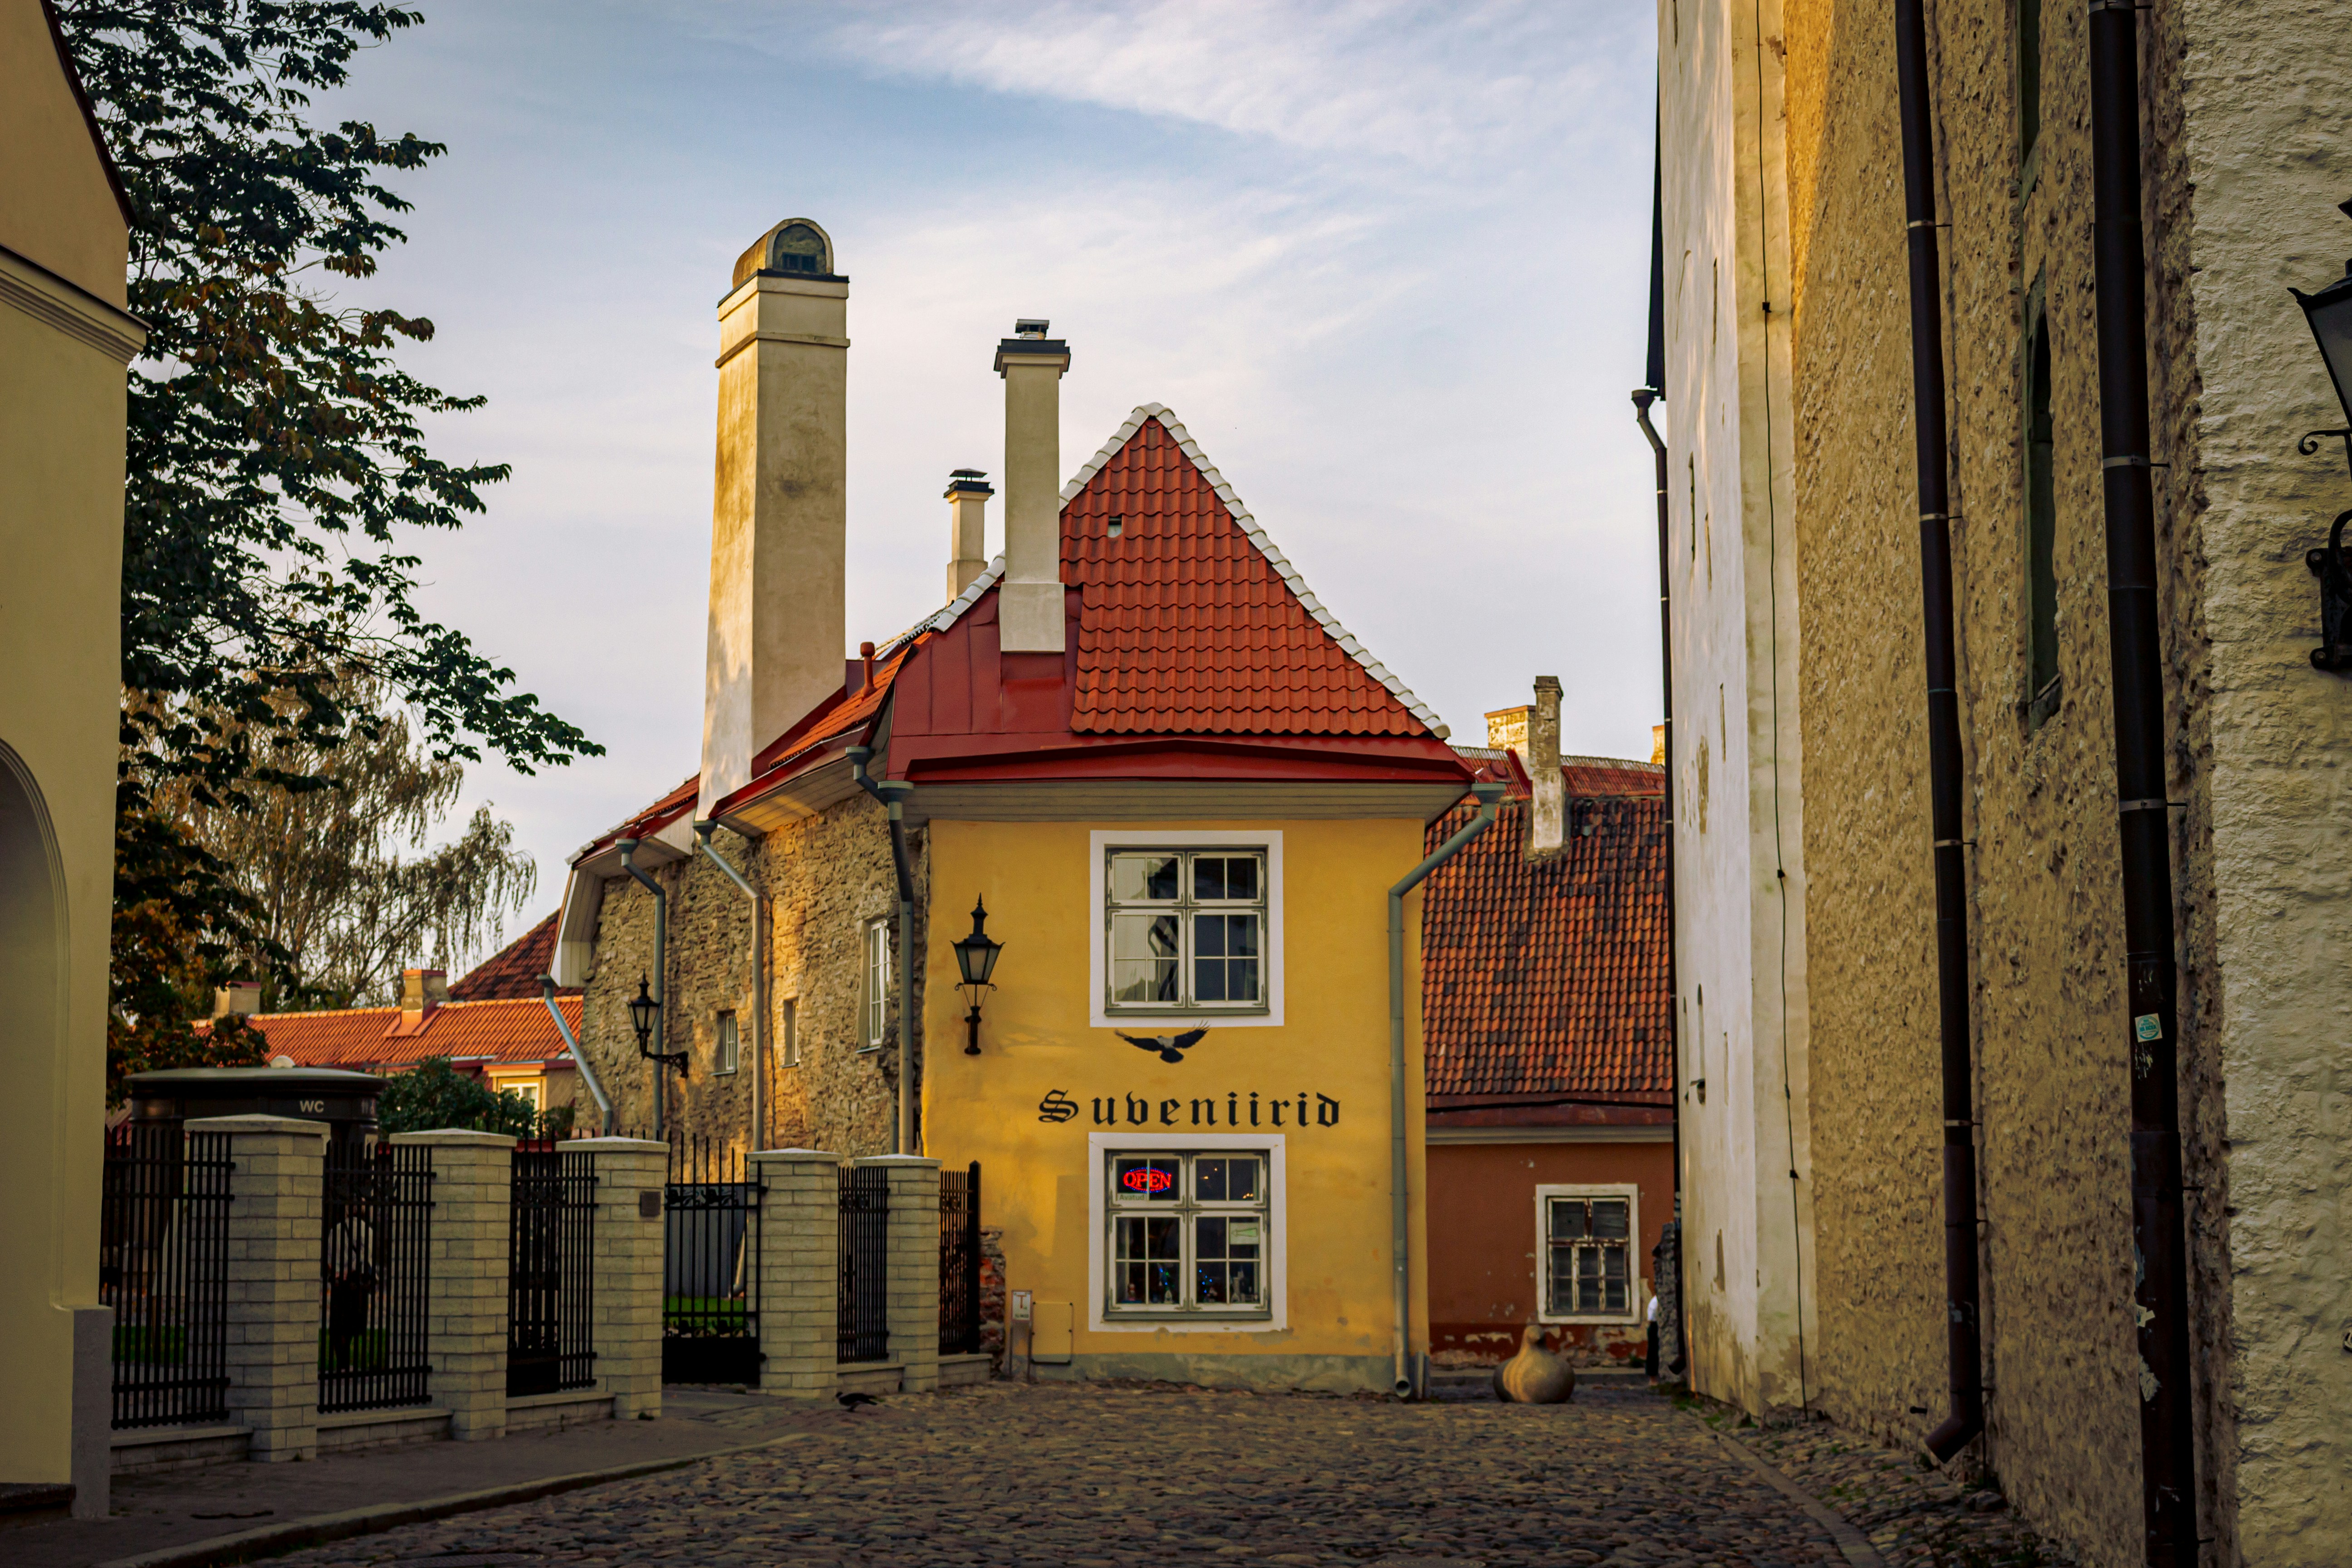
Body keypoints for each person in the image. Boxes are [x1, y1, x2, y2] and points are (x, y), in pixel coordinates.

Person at [323, 1200, 377, 1371]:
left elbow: (329, 1260)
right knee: (354, 1323)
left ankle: (342, 1361)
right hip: (358, 1283)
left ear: (346, 1211)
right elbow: (369, 1260)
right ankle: (346, 1358)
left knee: (338, 1324)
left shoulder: (336, 1230)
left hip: (341, 1283)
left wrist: (341, 1270)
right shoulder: (368, 1232)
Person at [1645, 1288, 1661, 1380]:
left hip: (1654, 1325)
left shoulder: (1654, 1301)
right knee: (1653, 1352)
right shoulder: (1656, 1301)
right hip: (1655, 1326)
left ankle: (1654, 1376)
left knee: (1653, 1351)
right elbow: (1651, 1318)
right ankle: (1653, 1377)